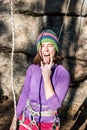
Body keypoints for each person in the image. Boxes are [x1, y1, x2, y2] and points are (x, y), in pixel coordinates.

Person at [10, 29, 70, 130]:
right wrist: (14, 120)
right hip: (27, 119)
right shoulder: (32, 69)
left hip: (47, 124)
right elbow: (24, 95)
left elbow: (54, 105)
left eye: (50, 46)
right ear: (39, 50)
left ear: (55, 48)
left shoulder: (62, 74)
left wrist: (47, 78)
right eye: (42, 46)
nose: (46, 49)